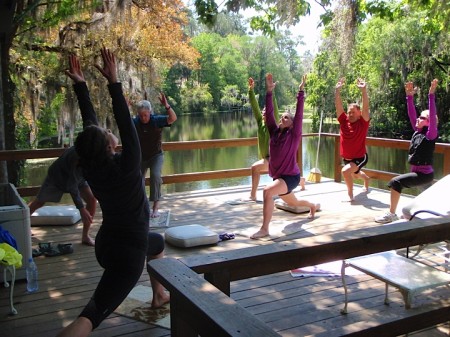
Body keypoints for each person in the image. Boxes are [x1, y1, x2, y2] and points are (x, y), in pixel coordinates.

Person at [56, 48, 167, 337]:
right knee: (89, 318)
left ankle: (158, 296)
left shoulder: (91, 167)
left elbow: (91, 126)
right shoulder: (128, 166)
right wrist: (114, 82)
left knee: (157, 244)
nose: (108, 132)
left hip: (107, 246)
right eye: (106, 136)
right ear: (110, 146)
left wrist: (81, 86)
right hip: (125, 256)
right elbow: (123, 123)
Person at [250, 73, 320, 240]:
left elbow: (300, 114)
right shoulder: (274, 131)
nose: (282, 117)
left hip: (290, 177)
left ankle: (265, 229)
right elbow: (270, 113)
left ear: (292, 123)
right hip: (280, 177)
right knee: (293, 203)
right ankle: (312, 206)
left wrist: (301, 92)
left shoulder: (294, 134)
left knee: (267, 192)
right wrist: (269, 91)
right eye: (282, 116)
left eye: (287, 117)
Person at [375, 79, 439, 224]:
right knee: (429, 200)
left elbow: (433, 117)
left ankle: (391, 214)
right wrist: (409, 96)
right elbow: (411, 114)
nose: (417, 119)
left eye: (422, 117)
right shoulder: (417, 132)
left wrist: (431, 95)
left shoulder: (430, 135)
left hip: (424, 174)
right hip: (419, 173)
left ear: (429, 122)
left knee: (396, 182)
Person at [246, 77, 306, 202]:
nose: (264, 113)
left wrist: (271, 92)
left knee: (256, 169)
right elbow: (255, 106)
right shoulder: (268, 127)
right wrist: (251, 90)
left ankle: (253, 195)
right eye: (263, 112)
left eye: (267, 112)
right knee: (293, 202)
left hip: (271, 160)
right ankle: (303, 186)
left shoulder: (285, 130)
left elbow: (276, 110)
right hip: (275, 165)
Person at [134, 95, 177, 218]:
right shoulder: (135, 122)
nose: (143, 118)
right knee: (138, 179)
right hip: (141, 157)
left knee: (155, 176)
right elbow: (122, 121)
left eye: (146, 115)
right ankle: (142, 206)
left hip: (156, 155)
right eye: (141, 115)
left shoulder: (156, 120)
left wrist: (167, 106)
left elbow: (173, 118)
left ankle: (155, 207)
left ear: (150, 112)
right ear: (138, 114)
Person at [335, 77, 371, 202]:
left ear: (359, 113)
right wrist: (337, 91)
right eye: (349, 112)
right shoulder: (343, 120)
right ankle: (366, 179)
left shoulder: (363, 122)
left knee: (345, 172)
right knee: (355, 174)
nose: (350, 115)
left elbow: (366, 108)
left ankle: (350, 195)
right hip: (347, 158)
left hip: (360, 157)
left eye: (353, 112)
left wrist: (364, 91)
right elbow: (338, 106)